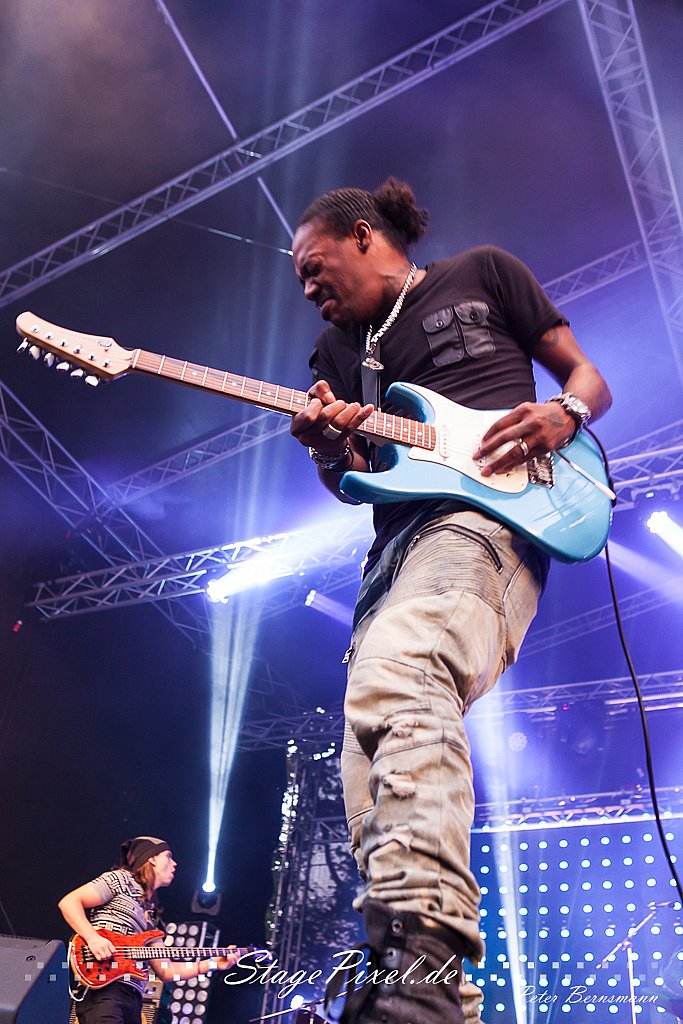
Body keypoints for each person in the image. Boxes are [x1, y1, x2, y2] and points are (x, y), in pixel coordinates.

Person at [290, 178, 612, 1024]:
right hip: (391, 554)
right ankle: (438, 1004)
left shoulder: (482, 272)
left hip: (485, 519)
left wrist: (563, 412)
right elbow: (352, 478)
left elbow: (585, 376)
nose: (308, 287)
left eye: (314, 266)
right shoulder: (334, 352)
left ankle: (421, 955)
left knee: (403, 670)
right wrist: (328, 449)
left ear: (364, 235)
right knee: (367, 764)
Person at [58, 836, 239, 1024]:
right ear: (151, 858)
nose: (174, 864)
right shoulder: (121, 879)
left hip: (133, 1000)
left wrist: (212, 964)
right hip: (104, 990)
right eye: (168, 856)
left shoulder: (152, 916)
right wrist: (93, 938)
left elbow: (167, 972)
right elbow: (69, 902)